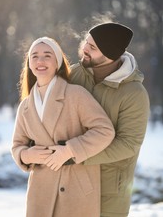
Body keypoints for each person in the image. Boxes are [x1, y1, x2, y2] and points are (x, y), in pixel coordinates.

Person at [11, 36, 115, 217]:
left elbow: (105, 131)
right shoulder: (25, 106)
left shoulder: (76, 95)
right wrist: (26, 155)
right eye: (34, 56)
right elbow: (17, 146)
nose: (40, 61)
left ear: (57, 62)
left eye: (47, 55)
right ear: (29, 63)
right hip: (40, 193)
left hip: (77, 189)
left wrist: (69, 150)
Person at [70, 21, 150, 217]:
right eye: (86, 42)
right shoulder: (73, 74)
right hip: (70, 180)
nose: (84, 49)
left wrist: (76, 155)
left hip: (110, 189)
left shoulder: (134, 94)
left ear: (111, 55)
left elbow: (129, 143)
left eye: (93, 47)